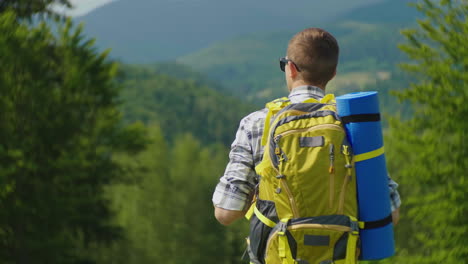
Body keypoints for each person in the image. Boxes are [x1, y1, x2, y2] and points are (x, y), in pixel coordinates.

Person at [212, 27, 401, 227]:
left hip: (279, 254)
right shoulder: (354, 124)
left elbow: (226, 213)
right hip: (339, 254)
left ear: (291, 68)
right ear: (333, 73)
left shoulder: (256, 124)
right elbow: (391, 214)